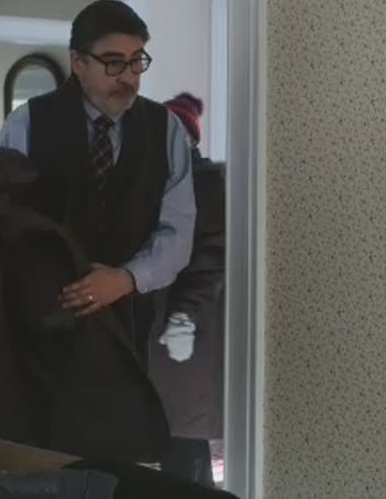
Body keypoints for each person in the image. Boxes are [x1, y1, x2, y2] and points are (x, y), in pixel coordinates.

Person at [0, 0, 196, 367]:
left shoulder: (165, 129)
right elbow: (1, 220)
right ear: (78, 62)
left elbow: (178, 231)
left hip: (127, 326)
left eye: (137, 61)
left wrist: (126, 278)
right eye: (114, 62)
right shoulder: (27, 124)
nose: (129, 77)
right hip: (40, 326)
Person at [149, 93, 226, 488]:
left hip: (187, 324)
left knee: (182, 434)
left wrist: (184, 316)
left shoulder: (206, 181)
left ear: (192, 139)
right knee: (178, 436)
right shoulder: (154, 180)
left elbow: (212, 253)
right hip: (162, 321)